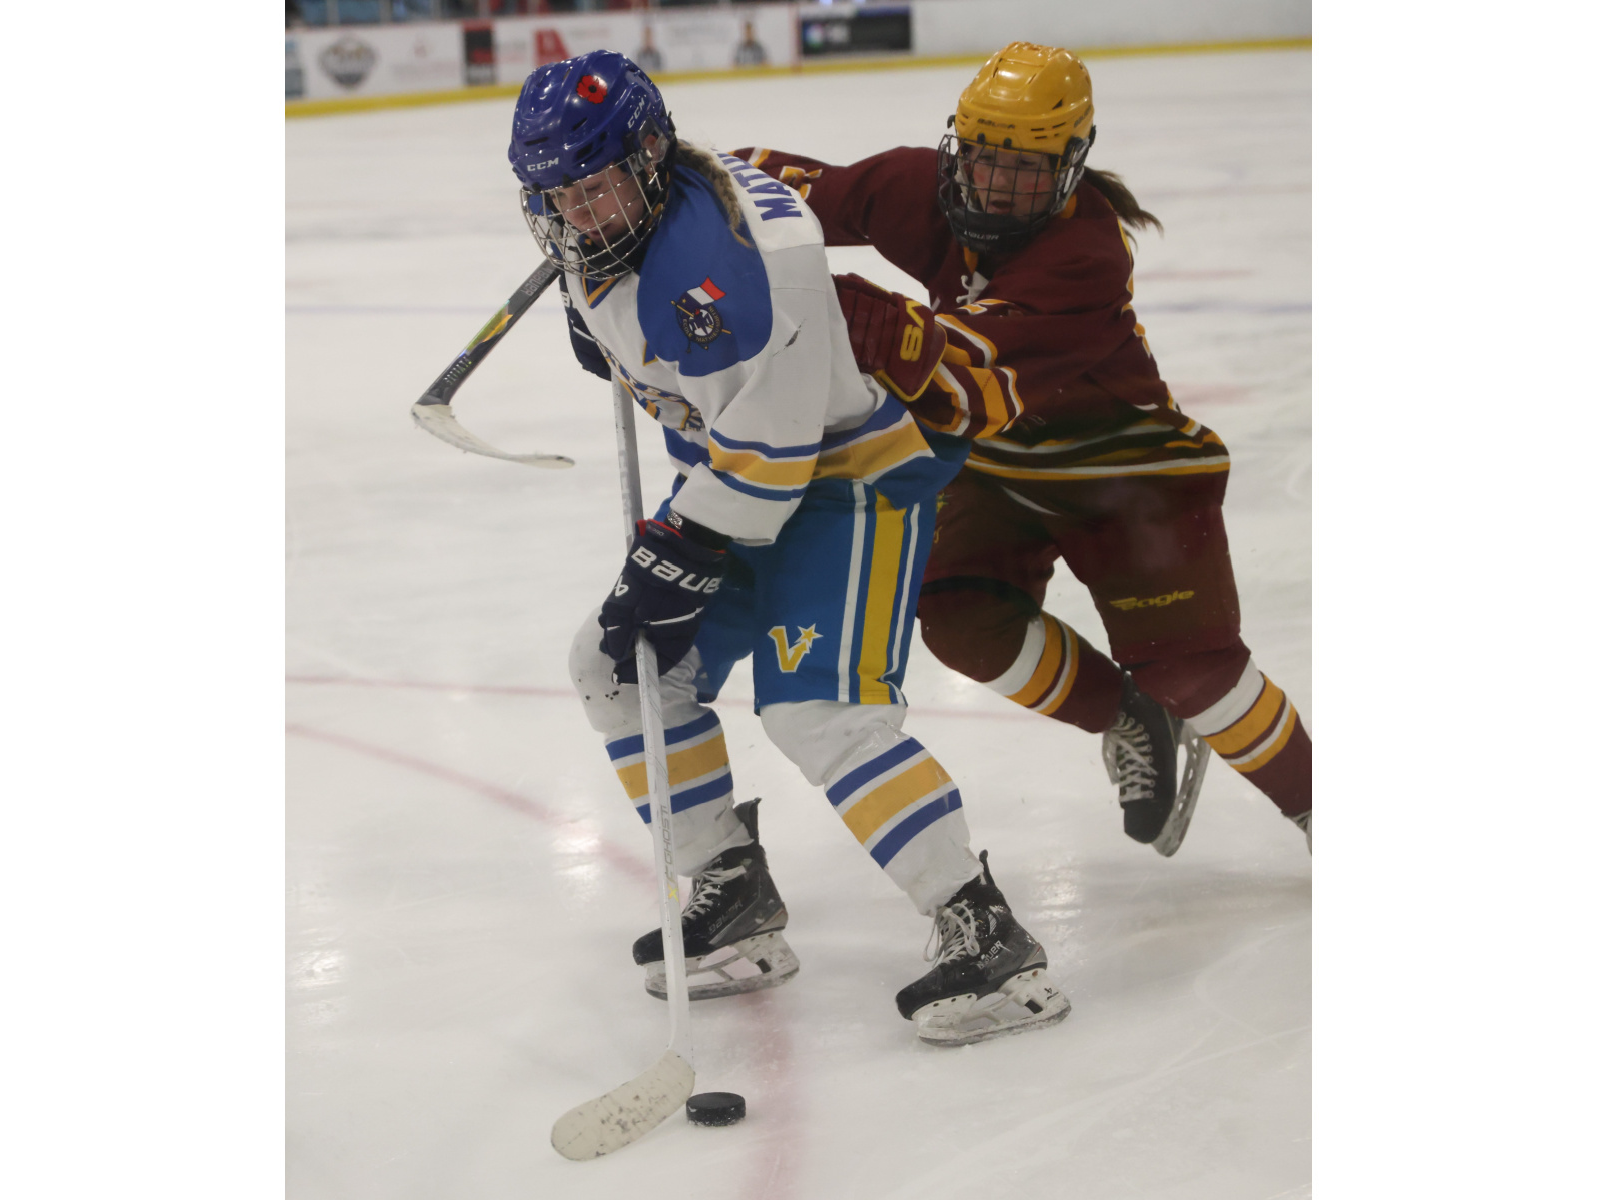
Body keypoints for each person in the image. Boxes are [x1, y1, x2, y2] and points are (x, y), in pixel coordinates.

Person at [509, 50, 1071, 1044]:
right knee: (619, 665)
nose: (576, 216)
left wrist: (676, 550)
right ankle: (730, 887)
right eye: (557, 196)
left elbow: (773, 456)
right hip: (745, 469)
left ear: (647, 158)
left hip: (848, 476)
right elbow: (710, 404)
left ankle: (988, 937)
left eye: (593, 189)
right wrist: (612, 333)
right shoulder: (635, 210)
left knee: (818, 711)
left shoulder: (723, 272)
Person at [735, 41, 1312, 854]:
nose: (999, 186)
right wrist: (668, 190)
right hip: (1002, 466)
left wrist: (844, 312)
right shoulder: (917, 187)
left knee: (1193, 672)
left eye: (1028, 169)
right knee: (961, 620)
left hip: (1130, 473)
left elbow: (962, 377)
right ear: (957, 146)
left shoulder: (1085, 253)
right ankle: (1128, 715)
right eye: (984, 159)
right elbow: (779, 194)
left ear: (1072, 165)